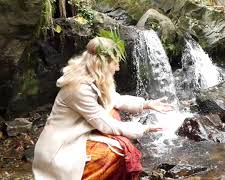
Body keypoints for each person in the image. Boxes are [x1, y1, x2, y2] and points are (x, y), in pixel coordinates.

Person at [32, 36, 173, 180]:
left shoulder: (93, 76)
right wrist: (144, 128)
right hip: (61, 149)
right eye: (115, 63)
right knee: (115, 152)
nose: (118, 68)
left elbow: (114, 99)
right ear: (103, 64)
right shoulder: (79, 88)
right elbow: (106, 125)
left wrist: (146, 104)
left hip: (78, 135)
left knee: (113, 113)